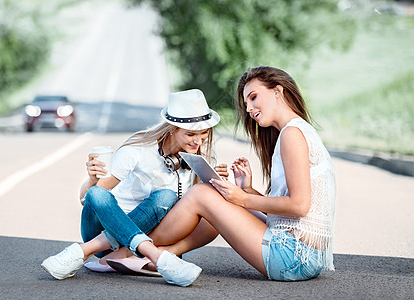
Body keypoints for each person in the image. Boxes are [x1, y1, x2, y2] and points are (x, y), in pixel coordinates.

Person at [125, 66, 336, 282]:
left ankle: (130, 250)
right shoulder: (296, 130)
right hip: (304, 257)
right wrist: (247, 190)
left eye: (254, 97)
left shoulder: (292, 133)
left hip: (292, 256)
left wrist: (243, 199)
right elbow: (288, 214)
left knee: (201, 194)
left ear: (278, 91)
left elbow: (299, 206)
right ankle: (164, 255)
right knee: (216, 197)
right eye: (246, 104)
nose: (250, 109)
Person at [41, 89, 225, 287]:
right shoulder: (138, 150)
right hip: (108, 228)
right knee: (97, 193)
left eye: (204, 133)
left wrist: (216, 182)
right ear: (172, 128)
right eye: (190, 134)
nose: (198, 141)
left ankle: (86, 252)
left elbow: (195, 207)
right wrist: (92, 180)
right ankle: (154, 256)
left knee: (169, 198)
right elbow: (88, 199)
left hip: (154, 234)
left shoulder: (201, 158)